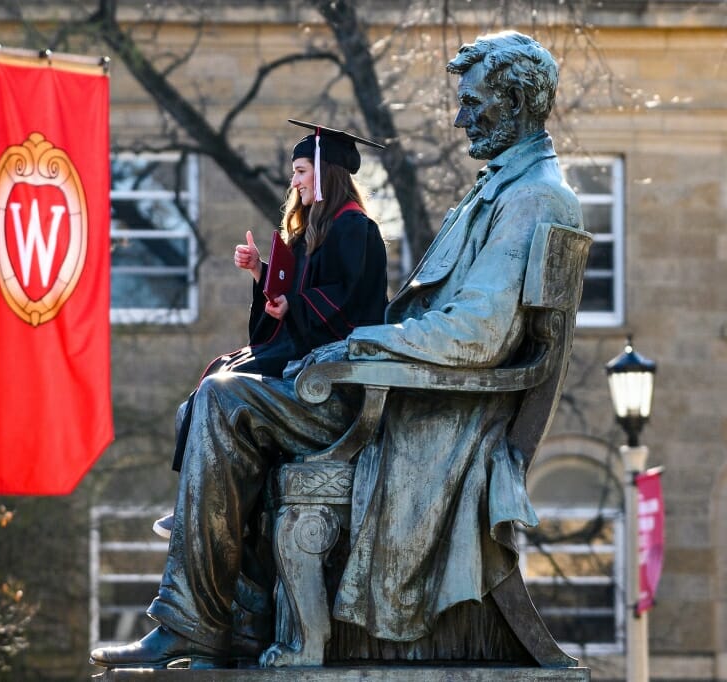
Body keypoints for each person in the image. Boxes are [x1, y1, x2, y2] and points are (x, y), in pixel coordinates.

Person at [90, 30, 582, 669]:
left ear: (514, 101)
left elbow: (478, 334)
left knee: (224, 401)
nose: (460, 117)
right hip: (399, 388)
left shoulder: (535, 196)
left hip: (421, 416)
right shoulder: (501, 188)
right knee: (225, 388)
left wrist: (357, 342)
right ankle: (232, 626)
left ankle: (192, 624)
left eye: (472, 102)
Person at [153, 120, 389, 536]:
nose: (293, 180)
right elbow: (290, 290)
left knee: (222, 387)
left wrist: (292, 306)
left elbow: (349, 297)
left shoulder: (356, 229)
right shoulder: (309, 230)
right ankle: (196, 499)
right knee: (215, 372)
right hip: (296, 339)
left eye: (300, 170)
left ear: (324, 171)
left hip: (325, 353)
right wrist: (262, 272)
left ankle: (214, 506)